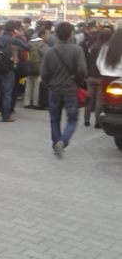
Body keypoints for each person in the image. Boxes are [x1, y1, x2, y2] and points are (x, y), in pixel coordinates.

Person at [41, 22, 87, 158]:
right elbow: (82, 70)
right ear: (71, 33)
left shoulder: (49, 51)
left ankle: (56, 142)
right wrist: (78, 81)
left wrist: (50, 83)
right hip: (70, 90)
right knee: (72, 119)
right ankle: (62, 142)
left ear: (56, 34)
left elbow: (44, 74)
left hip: (54, 90)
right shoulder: (77, 50)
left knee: (54, 119)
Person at [0, 20, 29, 123]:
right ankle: (6, 116)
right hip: (8, 69)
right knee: (7, 93)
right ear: (14, 29)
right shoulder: (14, 40)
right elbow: (27, 47)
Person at [85, 28, 113, 128]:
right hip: (101, 76)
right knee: (99, 99)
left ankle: (86, 119)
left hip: (91, 76)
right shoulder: (108, 48)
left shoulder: (93, 47)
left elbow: (88, 61)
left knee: (90, 97)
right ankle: (97, 121)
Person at [23, 28, 49, 110]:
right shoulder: (44, 45)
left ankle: (26, 102)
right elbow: (46, 57)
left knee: (28, 84)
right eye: (46, 34)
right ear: (43, 35)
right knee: (37, 85)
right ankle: (35, 103)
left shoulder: (30, 43)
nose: (47, 36)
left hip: (28, 66)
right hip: (39, 67)